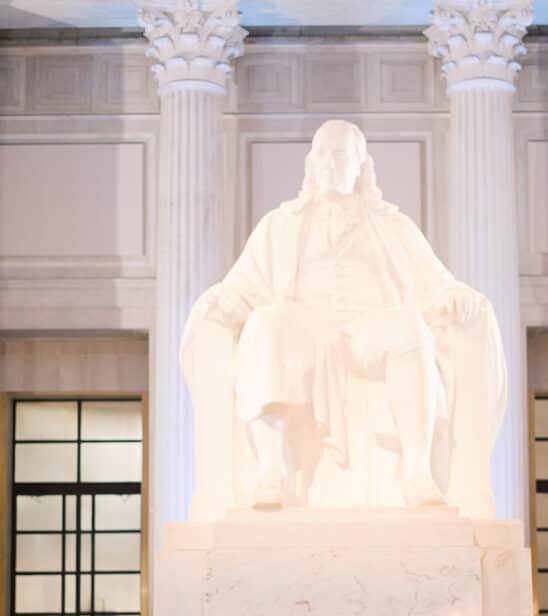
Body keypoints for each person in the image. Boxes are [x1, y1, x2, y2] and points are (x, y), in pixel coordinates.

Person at [181, 120, 506, 514]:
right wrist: (224, 301)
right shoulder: (280, 225)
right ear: (310, 164)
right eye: (322, 155)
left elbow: (435, 280)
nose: (330, 164)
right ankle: (271, 471)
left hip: (369, 328)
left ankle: (417, 473)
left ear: (361, 165)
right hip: (304, 326)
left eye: (340, 155)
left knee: (410, 329)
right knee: (266, 323)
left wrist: (454, 294)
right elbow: (245, 283)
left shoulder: (393, 225)